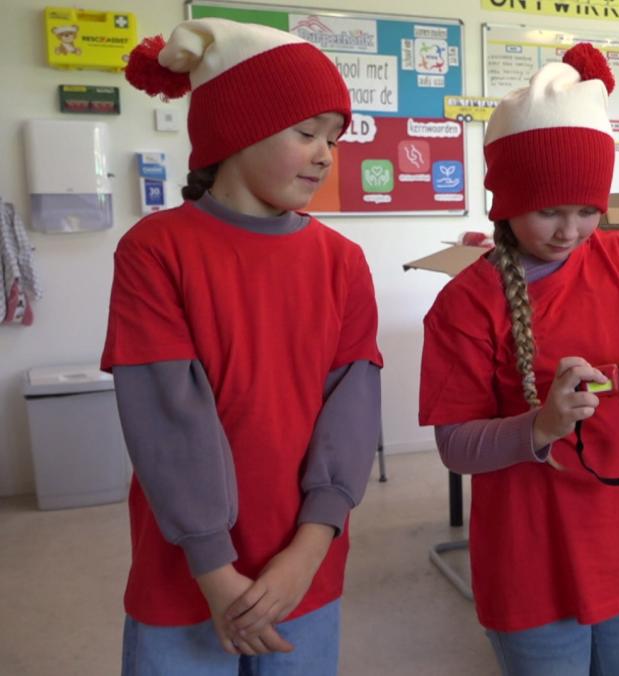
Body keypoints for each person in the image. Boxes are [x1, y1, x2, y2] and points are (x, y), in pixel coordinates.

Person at [418, 43, 619, 675]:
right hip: (531, 571)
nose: (569, 231)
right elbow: (454, 445)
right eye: (548, 210)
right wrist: (540, 428)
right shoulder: (466, 302)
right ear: (505, 203)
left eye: (587, 211)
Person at [103, 18, 382, 675]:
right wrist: (213, 567)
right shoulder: (156, 250)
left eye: (334, 139)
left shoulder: (342, 262)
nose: (324, 154)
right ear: (235, 131)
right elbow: (167, 414)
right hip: (187, 575)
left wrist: (310, 548)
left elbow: (352, 409)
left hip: (303, 571)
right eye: (305, 132)